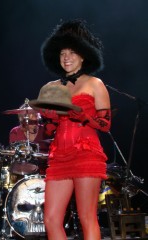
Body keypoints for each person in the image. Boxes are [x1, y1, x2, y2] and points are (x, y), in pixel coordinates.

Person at [29, 19, 111, 240]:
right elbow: (48, 131)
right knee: (51, 219)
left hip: (86, 153)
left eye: (72, 52)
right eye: (63, 53)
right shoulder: (50, 88)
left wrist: (84, 117)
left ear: (83, 56)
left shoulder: (95, 84)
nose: (66, 57)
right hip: (59, 157)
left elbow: (105, 125)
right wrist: (49, 119)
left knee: (87, 217)